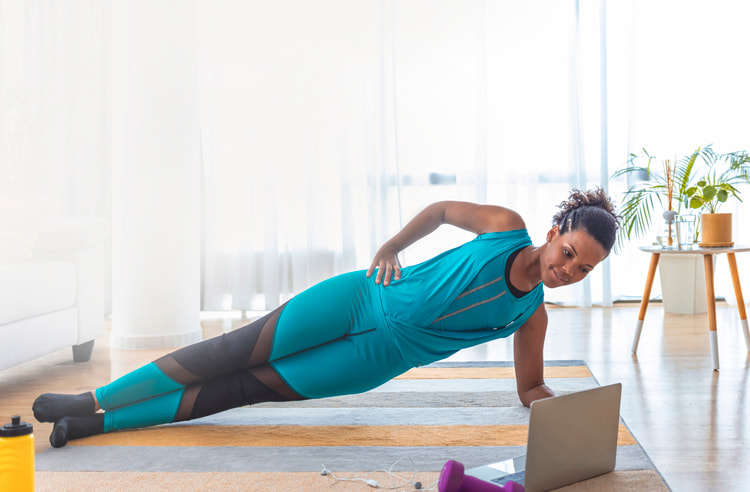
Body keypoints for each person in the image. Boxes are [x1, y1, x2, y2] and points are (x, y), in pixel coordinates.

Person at [34, 187, 620, 448]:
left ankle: (96, 427)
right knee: (230, 351)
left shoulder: (532, 318)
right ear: (553, 234)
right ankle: (91, 400)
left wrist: (573, 411)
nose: (569, 269)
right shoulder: (504, 224)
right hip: (360, 297)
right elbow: (441, 209)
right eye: (569, 253)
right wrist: (392, 245)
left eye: (584, 270)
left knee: (238, 389)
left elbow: (529, 387)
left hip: (373, 360)